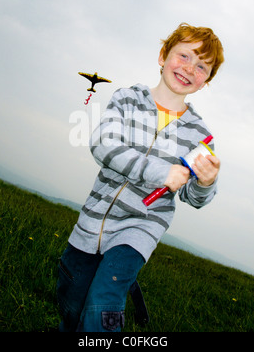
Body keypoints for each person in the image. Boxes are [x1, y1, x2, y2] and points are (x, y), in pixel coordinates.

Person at [57, 22, 224, 332]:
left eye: (202, 66)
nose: (190, 68)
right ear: (163, 56)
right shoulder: (127, 99)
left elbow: (193, 198)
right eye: (184, 56)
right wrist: (161, 171)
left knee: (104, 299)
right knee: (71, 300)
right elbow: (104, 145)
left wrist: (205, 183)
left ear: (205, 82)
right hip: (93, 220)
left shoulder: (200, 137)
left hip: (140, 227)